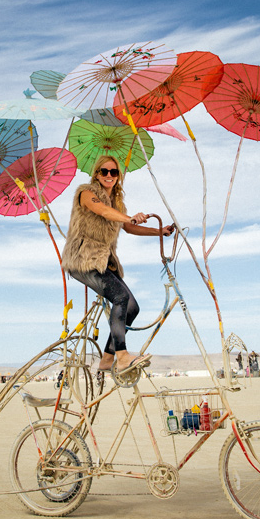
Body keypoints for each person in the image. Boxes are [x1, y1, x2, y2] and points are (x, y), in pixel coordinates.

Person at [61, 155, 174, 374]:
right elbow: (102, 211)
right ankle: (122, 356)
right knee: (120, 297)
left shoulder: (117, 202)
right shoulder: (86, 193)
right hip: (83, 260)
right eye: (104, 171)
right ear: (97, 174)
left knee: (132, 307)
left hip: (104, 261)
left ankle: (107, 359)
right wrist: (129, 217)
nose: (109, 176)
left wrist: (159, 232)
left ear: (118, 176)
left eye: (114, 172)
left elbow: (128, 227)